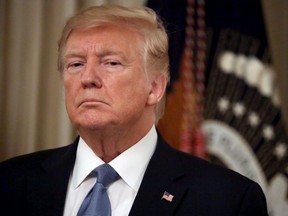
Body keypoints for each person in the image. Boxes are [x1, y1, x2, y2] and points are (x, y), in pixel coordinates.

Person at [0, 5, 268, 216]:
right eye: (75, 64)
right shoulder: (9, 183)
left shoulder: (227, 200)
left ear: (154, 88)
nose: (88, 78)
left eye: (111, 63)